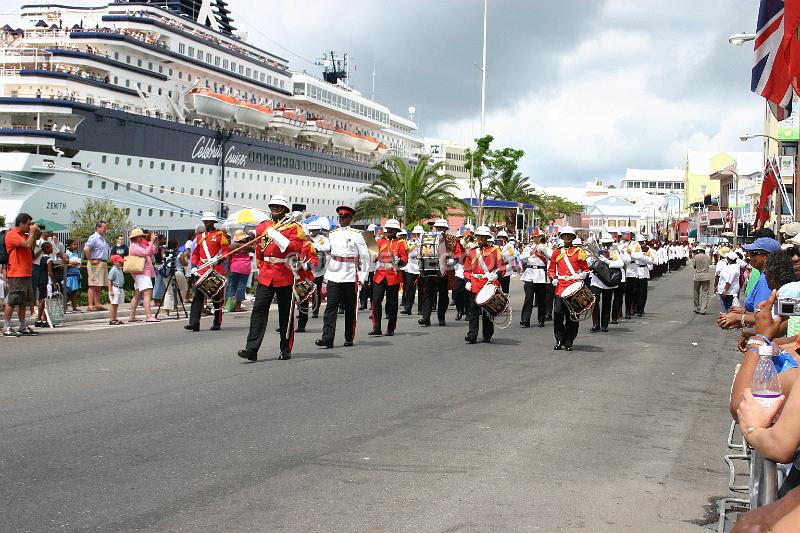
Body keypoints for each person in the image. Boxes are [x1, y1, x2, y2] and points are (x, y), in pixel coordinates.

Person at [237, 195, 304, 361]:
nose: (274, 208)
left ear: (285, 209)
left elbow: (296, 247)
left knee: (285, 314)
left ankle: (285, 348)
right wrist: (261, 267)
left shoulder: (294, 227)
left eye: (278, 206)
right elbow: (259, 249)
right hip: (266, 274)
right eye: (273, 206)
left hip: (284, 273)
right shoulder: (263, 227)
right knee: (258, 311)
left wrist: (276, 234)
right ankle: (251, 348)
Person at [314, 205, 370, 349]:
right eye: (340, 217)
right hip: (334, 274)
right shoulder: (333, 233)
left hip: (350, 275)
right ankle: (327, 338)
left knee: (350, 308)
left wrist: (362, 277)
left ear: (350, 219)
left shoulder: (357, 234)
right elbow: (325, 247)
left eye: (345, 217)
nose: (342, 219)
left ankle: (348, 336)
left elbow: (364, 257)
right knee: (330, 308)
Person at [547, 226, 589, 351]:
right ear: (562, 237)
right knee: (558, 313)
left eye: (569, 235)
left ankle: (569, 340)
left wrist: (582, 274)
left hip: (573, 286)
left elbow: (586, 269)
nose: (566, 237)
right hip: (560, 286)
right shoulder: (557, 252)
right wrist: (553, 278)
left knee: (573, 314)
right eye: (564, 235)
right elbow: (551, 269)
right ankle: (559, 339)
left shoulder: (578, 252)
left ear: (572, 237)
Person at [186, 213, 229, 331]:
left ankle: (217, 321)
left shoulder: (221, 235)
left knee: (217, 298)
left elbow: (226, 252)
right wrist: (194, 266)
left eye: (208, 221)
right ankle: (194, 323)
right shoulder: (200, 236)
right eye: (205, 221)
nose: (206, 223)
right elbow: (195, 253)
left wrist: (219, 259)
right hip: (201, 269)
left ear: (213, 222)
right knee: (197, 297)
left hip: (215, 269)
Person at [463, 226, 504, 344]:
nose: (480, 239)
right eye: (478, 236)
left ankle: (487, 334)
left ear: (487, 238)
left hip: (488, 284)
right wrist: (467, 281)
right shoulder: (472, 251)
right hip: (475, 284)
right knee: (473, 310)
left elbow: (501, 267)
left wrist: (497, 276)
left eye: (482, 237)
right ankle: (472, 334)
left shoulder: (495, 251)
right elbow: (467, 269)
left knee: (487, 311)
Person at [368, 219, 408, 337]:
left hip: (393, 275)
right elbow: (373, 257)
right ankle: (377, 327)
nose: (389, 231)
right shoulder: (379, 241)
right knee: (376, 301)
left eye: (392, 229)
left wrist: (399, 261)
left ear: (396, 231)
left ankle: (391, 328)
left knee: (392, 303)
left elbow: (405, 260)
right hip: (380, 275)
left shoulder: (401, 243)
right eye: (388, 229)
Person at [3, 213, 40, 336]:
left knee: (23, 302)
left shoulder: (24, 235)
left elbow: (31, 248)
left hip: (26, 272)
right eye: (28, 224)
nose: (30, 227)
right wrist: (33, 233)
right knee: (12, 301)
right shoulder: (12, 234)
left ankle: (22, 326)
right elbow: (27, 244)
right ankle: (6, 327)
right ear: (22, 223)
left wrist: (34, 235)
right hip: (16, 273)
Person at [419, 218, 458, 327]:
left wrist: (453, 260)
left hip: (445, 270)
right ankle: (425, 318)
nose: (440, 230)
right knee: (427, 294)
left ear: (445, 229)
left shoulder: (452, 239)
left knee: (443, 295)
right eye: (438, 228)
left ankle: (441, 318)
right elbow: (421, 251)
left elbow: (458, 253)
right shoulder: (428, 238)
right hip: (430, 268)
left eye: (442, 228)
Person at [589, 234, 623, 332]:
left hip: (608, 280)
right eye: (604, 243)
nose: (606, 245)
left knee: (607, 303)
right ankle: (596, 323)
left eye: (608, 243)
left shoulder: (613, 252)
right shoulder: (595, 251)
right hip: (596, 280)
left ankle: (604, 324)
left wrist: (608, 261)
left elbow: (620, 264)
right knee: (594, 301)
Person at [127, 228, 160, 323]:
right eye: (141, 236)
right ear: (137, 237)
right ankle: (149, 316)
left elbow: (153, 251)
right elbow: (146, 253)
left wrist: (153, 243)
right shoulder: (134, 246)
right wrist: (152, 241)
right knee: (147, 293)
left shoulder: (140, 245)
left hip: (141, 273)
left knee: (137, 294)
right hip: (142, 273)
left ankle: (132, 316)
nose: (143, 237)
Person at [519, 235, 550, 327]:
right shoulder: (528, 247)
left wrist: (543, 249)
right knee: (528, 298)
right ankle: (525, 320)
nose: (536, 239)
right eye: (535, 237)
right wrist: (531, 251)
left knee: (541, 299)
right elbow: (522, 258)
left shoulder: (546, 247)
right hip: (529, 274)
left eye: (539, 237)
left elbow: (552, 256)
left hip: (541, 274)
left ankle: (541, 319)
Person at [295, 229, 319, 333]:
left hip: (304, 277)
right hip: (289, 276)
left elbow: (314, 261)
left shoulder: (308, 245)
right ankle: (286, 323)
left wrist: (304, 265)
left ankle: (301, 324)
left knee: (302, 301)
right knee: (287, 302)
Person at [83, 220, 110, 312]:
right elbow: (86, 249)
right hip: (96, 263)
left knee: (99, 285)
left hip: (102, 262)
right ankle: (90, 305)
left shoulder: (102, 238)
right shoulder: (93, 237)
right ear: (98, 228)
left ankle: (97, 304)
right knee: (93, 284)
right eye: (104, 228)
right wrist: (91, 260)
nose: (105, 230)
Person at [225, 229, 253, 312]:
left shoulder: (231, 246)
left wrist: (228, 267)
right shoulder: (247, 246)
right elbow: (254, 250)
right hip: (244, 267)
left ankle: (229, 305)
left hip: (234, 267)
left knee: (232, 285)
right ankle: (237, 306)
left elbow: (229, 257)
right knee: (241, 286)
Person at [401, 225, 423, 315]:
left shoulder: (425, 242)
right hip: (411, 267)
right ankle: (408, 308)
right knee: (409, 288)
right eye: (416, 233)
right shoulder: (410, 242)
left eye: (419, 233)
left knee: (422, 289)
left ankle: (421, 309)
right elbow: (407, 252)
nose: (417, 235)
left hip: (421, 266)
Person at [307, 221, 327, 318]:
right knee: (304, 290)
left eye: (314, 230)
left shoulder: (323, 239)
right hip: (307, 268)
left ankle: (315, 310)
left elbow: (327, 247)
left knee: (316, 290)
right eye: (311, 230)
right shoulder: (306, 238)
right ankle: (304, 310)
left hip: (319, 269)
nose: (312, 232)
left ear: (318, 230)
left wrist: (315, 246)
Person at [33, 241, 54, 328]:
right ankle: (45, 320)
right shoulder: (49, 259)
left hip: (41, 280)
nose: (52, 248)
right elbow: (50, 272)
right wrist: (54, 282)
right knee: (45, 300)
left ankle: (38, 319)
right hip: (47, 281)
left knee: (42, 299)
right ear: (47, 249)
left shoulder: (42, 258)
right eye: (51, 247)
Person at [691, 245, 712, 315]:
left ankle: (696, 307)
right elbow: (709, 264)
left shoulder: (696, 257)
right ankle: (703, 309)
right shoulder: (708, 257)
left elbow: (694, 266)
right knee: (705, 293)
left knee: (696, 292)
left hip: (697, 276)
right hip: (706, 276)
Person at [64, 239, 82, 313]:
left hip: (76, 274)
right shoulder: (66, 255)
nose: (76, 246)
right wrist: (72, 264)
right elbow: (64, 265)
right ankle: (65, 307)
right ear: (69, 246)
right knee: (67, 292)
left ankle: (74, 307)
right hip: (69, 275)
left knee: (74, 292)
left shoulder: (76, 254)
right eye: (74, 244)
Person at [107, 254, 125, 325]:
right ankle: (112, 319)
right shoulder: (113, 270)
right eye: (119, 261)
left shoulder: (119, 269)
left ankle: (115, 318)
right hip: (115, 288)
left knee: (116, 304)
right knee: (113, 304)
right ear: (114, 262)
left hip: (120, 288)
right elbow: (109, 280)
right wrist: (110, 290)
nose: (121, 263)